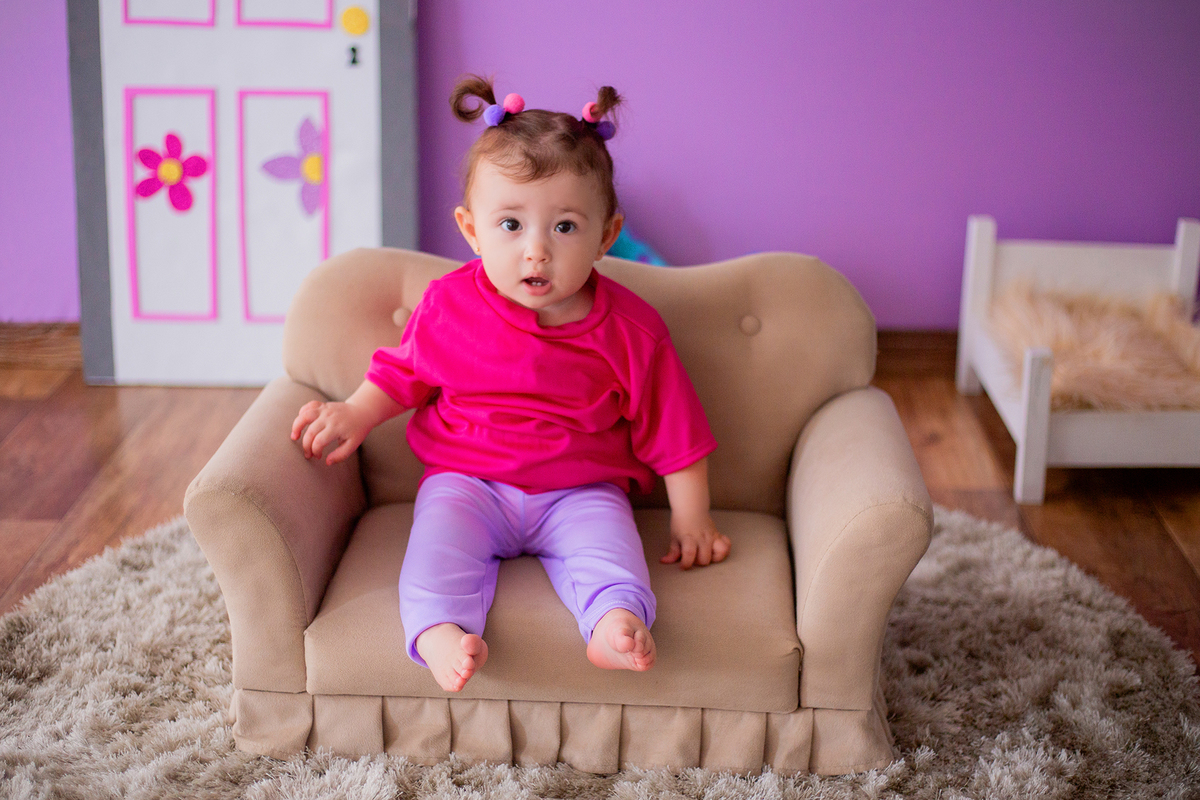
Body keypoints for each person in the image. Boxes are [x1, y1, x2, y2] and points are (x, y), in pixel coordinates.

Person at [291, 75, 730, 693]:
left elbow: (674, 430)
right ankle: (440, 628)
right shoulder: (449, 305)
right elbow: (405, 372)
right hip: (466, 483)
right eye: (511, 225)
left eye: (565, 228)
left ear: (607, 235)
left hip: (580, 490)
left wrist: (693, 519)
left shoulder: (633, 330)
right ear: (471, 230)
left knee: (610, 555)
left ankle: (613, 622)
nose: (536, 253)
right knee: (433, 551)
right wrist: (357, 412)